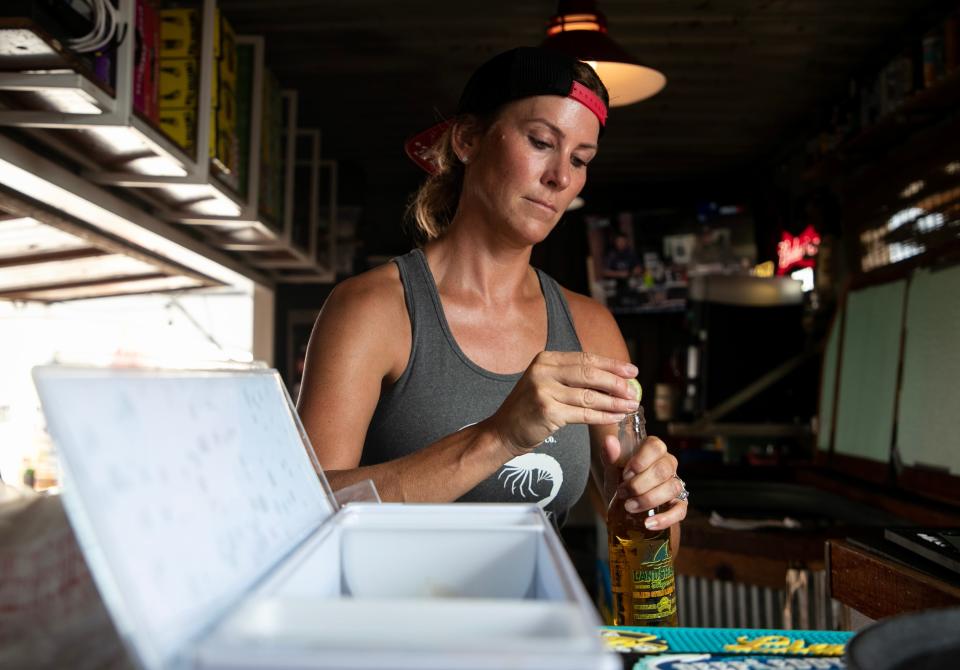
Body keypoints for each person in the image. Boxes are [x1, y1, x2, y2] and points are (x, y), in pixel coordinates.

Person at [297, 47, 687, 548]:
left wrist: (657, 503)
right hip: (392, 623)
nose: (561, 178)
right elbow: (303, 511)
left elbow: (655, 551)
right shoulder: (373, 310)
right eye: (542, 142)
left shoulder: (589, 326)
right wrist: (498, 436)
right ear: (467, 138)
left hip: (543, 620)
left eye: (581, 160)